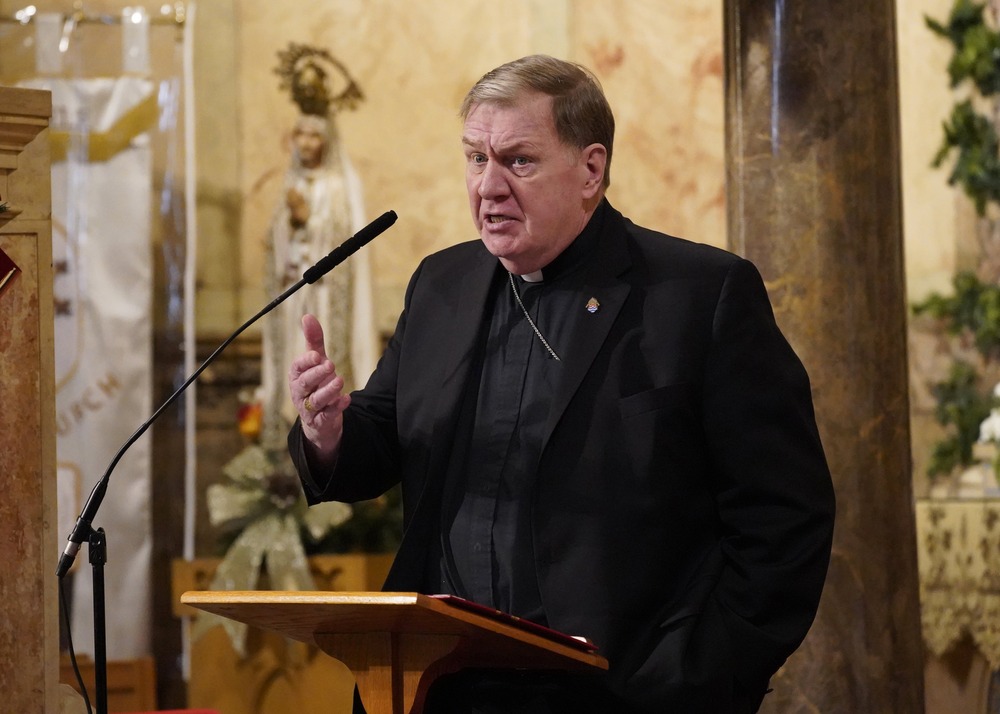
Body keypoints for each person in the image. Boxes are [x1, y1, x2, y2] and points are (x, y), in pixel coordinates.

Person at [286, 54, 835, 713]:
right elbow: (382, 438)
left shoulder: (697, 297)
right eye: (474, 158)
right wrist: (329, 432)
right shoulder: (442, 285)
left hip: (617, 689)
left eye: (518, 160)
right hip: (439, 685)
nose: (487, 186)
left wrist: (699, 675)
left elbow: (784, 516)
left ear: (591, 170)